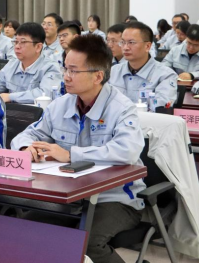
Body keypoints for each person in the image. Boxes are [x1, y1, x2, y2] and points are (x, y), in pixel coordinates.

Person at [10, 34, 146, 263]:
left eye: (73, 71)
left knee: (87, 243)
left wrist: (70, 154)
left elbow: (128, 151)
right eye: (65, 68)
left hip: (114, 198)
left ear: (98, 76)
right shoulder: (61, 104)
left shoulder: (122, 108)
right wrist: (25, 147)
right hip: (69, 195)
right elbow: (28, 134)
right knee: (27, 230)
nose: (66, 76)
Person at [109, 22, 177, 108]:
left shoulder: (165, 75)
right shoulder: (113, 71)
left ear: (147, 46)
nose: (125, 47)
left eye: (131, 42)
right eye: (123, 42)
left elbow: (161, 107)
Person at [0, 23, 62, 104]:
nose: (17, 46)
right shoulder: (11, 65)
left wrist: (10, 97)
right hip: (11, 111)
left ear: (38, 47)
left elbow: (45, 94)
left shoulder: (50, 67)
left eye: (23, 42)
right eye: (16, 42)